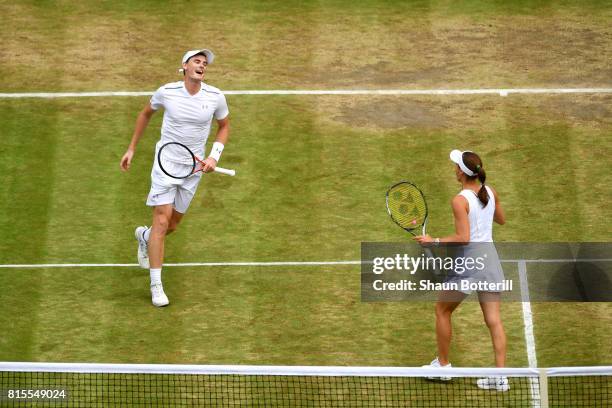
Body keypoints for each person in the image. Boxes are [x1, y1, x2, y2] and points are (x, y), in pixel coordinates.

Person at [120, 49, 230, 307]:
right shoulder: (166, 92)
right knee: (161, 221)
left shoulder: (215, 97)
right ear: (184, 66)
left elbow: (224, 126)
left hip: (193, 170)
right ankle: (156, 286)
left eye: (204, 63)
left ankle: (144, 238)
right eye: (196, 61)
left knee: (171, 226)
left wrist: (214, 156)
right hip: (165, 165)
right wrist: (132, 148)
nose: (201, 65)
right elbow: (145, 113)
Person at [415, 149, 509, 391]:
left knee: (442, 310)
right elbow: (501, 220)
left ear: (461, 172)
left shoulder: (459, 200)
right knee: (494, 320)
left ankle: (444, 367)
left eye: (456, 165)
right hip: (490, 260)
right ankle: (500, 377)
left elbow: (463, 237)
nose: (453, 167)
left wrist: (432, 241)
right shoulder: (491, 192)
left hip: (469, 263)